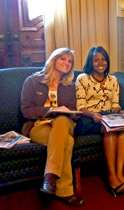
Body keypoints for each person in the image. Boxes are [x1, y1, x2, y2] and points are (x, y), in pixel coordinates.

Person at [21, 48, 84, 206]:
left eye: (70, 61)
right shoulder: (32, 81)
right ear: (53, 60)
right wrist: (51, 110)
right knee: (67, 142)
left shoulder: (70, 86)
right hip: (39, 126)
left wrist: (67, 112)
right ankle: (65, 191)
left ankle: (49, 177)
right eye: (63, 59)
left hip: (65, 124)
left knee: (62, 120)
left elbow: (75, 112)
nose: (67, 63)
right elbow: (26, 110)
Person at [75, 46, 124, 197]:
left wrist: (121, 112)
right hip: (88, 118)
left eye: (103, 59)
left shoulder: (113, 80)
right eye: (96, 60)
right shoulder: (82, 79)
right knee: (110, 130)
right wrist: (93, 114)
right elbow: (80, 107)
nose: (100, 63)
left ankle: (120, 174)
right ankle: (112, 177)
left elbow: (114, 105)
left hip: (108, 116)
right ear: (91, 62)